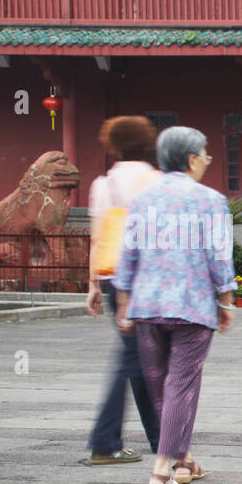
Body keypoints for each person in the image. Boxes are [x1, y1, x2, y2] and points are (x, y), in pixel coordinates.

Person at [112, 126, 236, 484]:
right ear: (191, 159)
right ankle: (161, 472)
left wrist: (123, 305)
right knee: (181, 384)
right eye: (206, 155)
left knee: (160, 385)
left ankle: (184, 461)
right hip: (192, 306)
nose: (208, 161)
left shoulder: (142, 200)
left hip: (147, 305)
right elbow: (219, 256)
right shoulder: (211, 200)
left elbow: (127, 255)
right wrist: (227, 300)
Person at [85, 116, 162, 465]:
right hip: (145, 277)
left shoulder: (103, 183)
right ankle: (104, 439)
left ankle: (160, 437)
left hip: (113, 277)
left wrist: (92, 285)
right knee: (134, 359)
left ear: (113, 145)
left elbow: (99, 236)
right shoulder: (156, 181)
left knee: (139, 358)